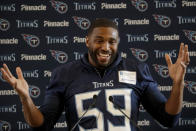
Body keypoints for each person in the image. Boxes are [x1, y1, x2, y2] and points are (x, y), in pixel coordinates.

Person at [1, 18, 190, 131]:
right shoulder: (64, 74)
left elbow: (168, 119)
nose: (105, 47)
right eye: (98, 40)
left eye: (111, 42)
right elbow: (41, 126)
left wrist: (178, 83)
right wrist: (26, 98)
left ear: (117, 43)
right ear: (87, 41)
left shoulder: (137, 70)